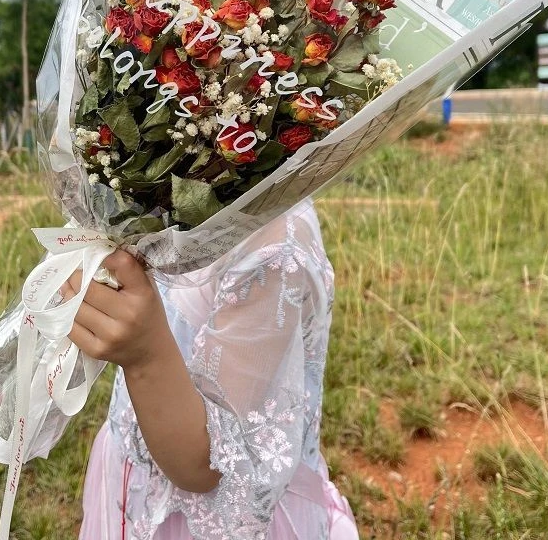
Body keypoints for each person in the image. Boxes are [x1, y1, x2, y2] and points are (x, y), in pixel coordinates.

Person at [60, 202, 359, 540]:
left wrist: (145, 355)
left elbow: (204, 465)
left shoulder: (273, 253)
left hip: (208, 515)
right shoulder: (174, 199)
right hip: (136, 465)